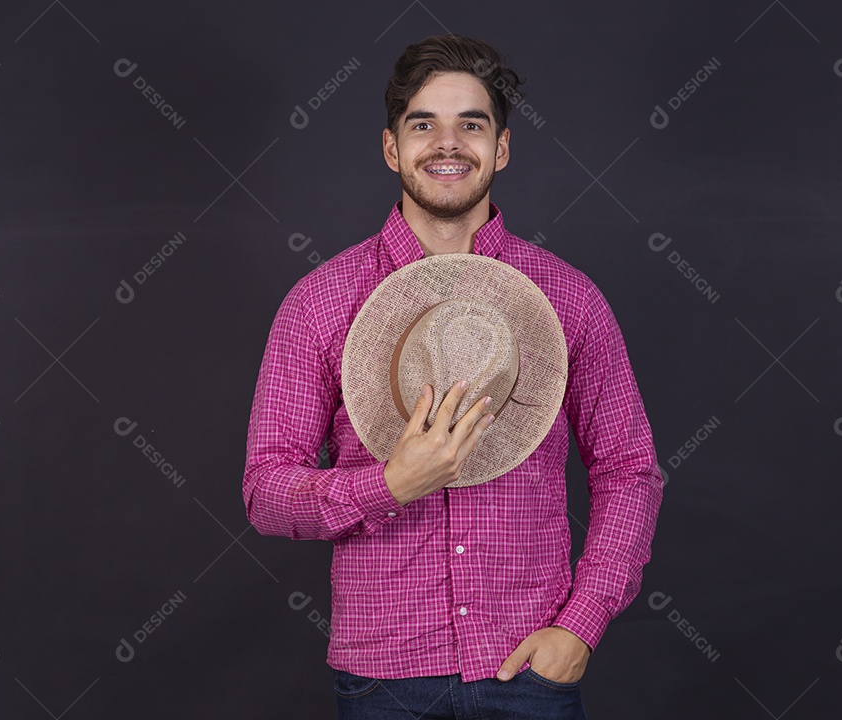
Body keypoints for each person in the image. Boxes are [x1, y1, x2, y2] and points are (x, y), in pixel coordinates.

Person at [243, 33, 663, 719]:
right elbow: (266, 490)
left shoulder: (568, 299)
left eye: (471, 124)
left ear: (501, 148)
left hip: (529, 668)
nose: (447, 144)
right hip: (385, 679)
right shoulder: (320, 303)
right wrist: (387, 486)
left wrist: (580, 625)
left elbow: (629, 471)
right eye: (423, 125)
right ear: (391, 148)